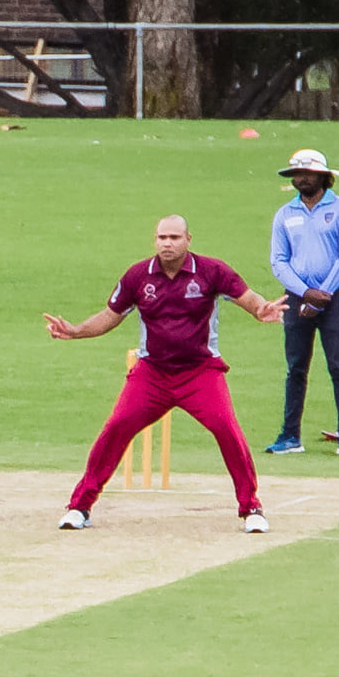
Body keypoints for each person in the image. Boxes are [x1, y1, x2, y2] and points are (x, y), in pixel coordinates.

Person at [45, 215, 286, 533]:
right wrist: (75, 331)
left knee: (226, 428)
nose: (167, 243)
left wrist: (261, 309)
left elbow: (249, 298)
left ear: (188, 239)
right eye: (161, 237)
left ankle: (251, 507)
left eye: (174, 237)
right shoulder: (138, 275)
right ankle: (79, 506)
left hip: (200, 372)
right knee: (116, 427)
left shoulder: (212, 271)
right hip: (152, 374)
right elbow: (110, 316)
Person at [265, 149, 339, 456]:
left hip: (334, 297)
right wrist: (304, 292)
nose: (301, 178)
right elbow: (279, 261)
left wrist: (322, 295)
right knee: (295, 367)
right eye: (296, 174)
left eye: (307, 173)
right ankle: (289, 435)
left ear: (323, 176)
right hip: (297, 297)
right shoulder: (285, 214)